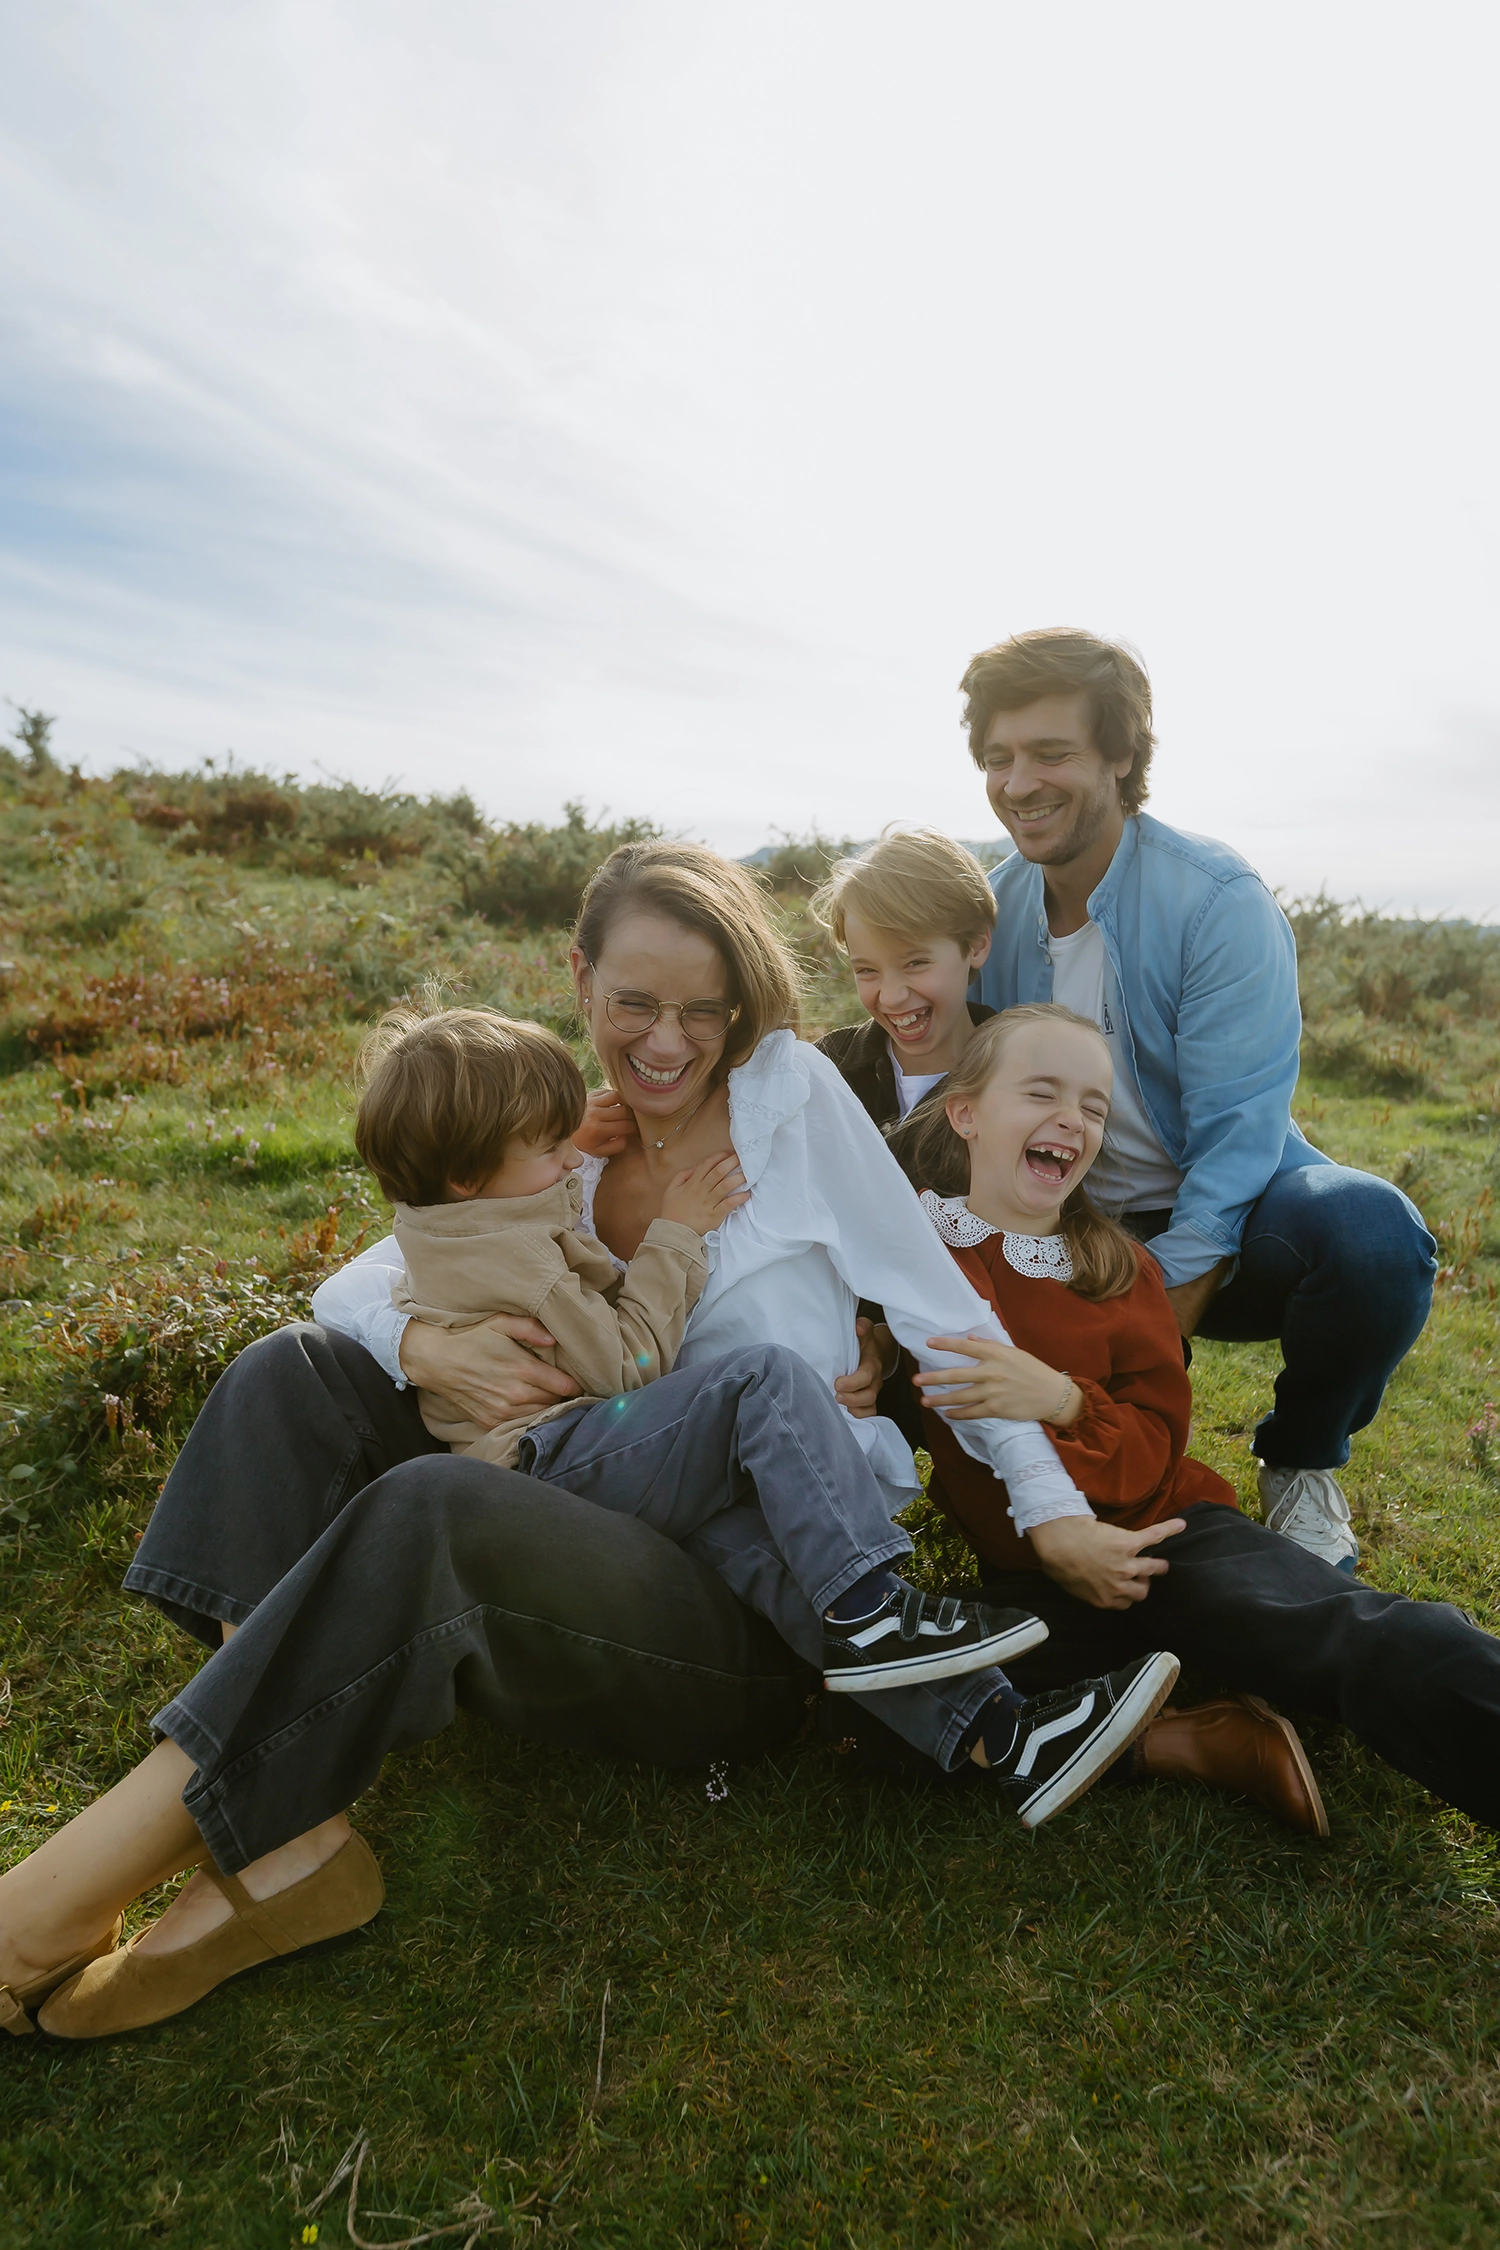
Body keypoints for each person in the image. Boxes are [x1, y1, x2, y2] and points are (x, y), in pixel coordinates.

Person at [0, 843, 1176, 2042]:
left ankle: (48, 1907)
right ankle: (285, 1835)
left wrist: (1050, 1510)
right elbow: (368, 1276)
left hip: (735, 1604)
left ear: (741, 1005)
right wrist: (422, 1346)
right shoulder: (569, 1132)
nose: (666, 1042)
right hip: (573, 1506)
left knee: (441, 1505)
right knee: (286, 1370)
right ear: (580, 980)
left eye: (702, 1011)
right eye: (634, 1005)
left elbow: (942, 1312)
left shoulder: (788, 1102)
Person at [882, 999, 1500, 1836]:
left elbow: (1151, 1444)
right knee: (874, 1699)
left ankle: (1222, 1661)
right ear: (966, 1114)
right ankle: (1189, 1738)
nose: (1071, 1119)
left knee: (1351, 1634)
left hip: (1167, 1540)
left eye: (1093, 1107)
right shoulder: (914, 1247)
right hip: (1037, 1577)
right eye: (1041, 1093)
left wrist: (1063, 1399)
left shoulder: (1119, 1271)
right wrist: (862, 1354)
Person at [358, 1000, 1046, 1696]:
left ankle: (995, 1725)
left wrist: (554, 1137)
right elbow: (625, 1369)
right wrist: (676, 1235)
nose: (572, 1158)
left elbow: (509, 1193)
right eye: (549, 1148)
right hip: (552, 1461)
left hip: (531, 1469)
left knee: (769, 1558)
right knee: (763, 1378)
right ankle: (877, 1606)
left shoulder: (445, 1224)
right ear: (469, 1173)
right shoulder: (524, 1261)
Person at [962, 627, 1437, 1571]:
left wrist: (1141, 1330)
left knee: (1373, 1235)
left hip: (1230, 1215)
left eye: (1051, 752)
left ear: (1121, 755)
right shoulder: (989, 909)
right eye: (997, 757)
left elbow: (1235, 1147)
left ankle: (1301, 1459)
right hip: (1064, 1215)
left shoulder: (1218, 901)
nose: (1018, 784)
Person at [811, 826, 997, 1135]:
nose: (891, 996)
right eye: (867, 970)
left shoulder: (1017, 1076)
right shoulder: (826, 1068)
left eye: (915, 963)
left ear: (976, 946)